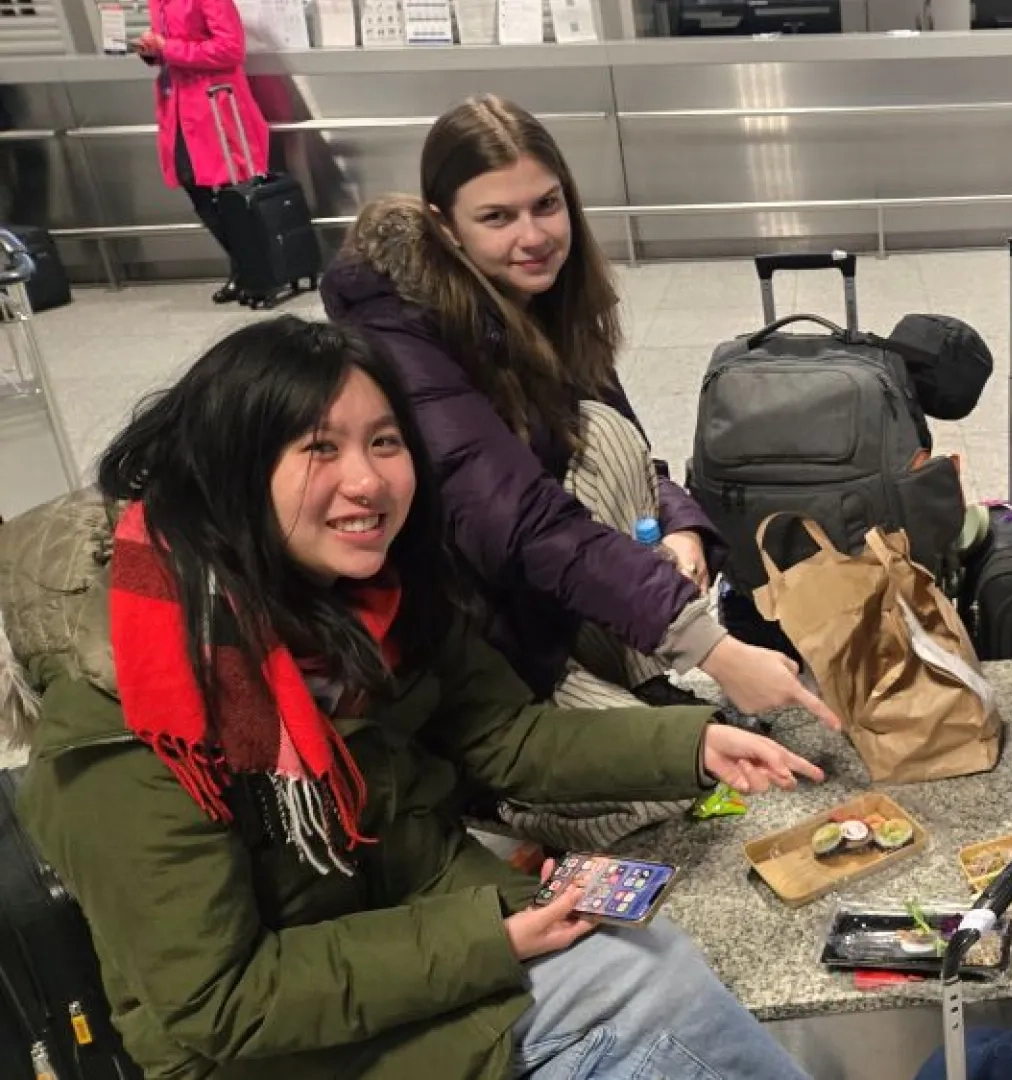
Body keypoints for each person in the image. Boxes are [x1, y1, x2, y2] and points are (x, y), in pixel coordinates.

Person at [0, 317, 817, 1080]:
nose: (367, 480)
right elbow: (220, 1001)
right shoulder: (138, 721)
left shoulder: (360, 603)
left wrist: (693, 743)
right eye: (320, 448)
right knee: (645, 990)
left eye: (384, 441)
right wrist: (491, 939)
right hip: (274, 1050)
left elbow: (503, 736)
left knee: (648, 961)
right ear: (231, 471)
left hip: (401, 934)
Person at [321, 95, 839, 847]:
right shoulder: (399, 330)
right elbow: (518, 519)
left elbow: (632, 453)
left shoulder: (546, 299)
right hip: (469, 636)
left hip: (537, 596)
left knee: (602, 434)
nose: (533, 237)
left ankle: (631, 680)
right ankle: (489, 789)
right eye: (497, 217)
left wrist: (680, 527)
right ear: (444, 225)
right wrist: (713, 648)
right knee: (661, 790)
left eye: (546, 204)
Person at [134, 0, 268, 304]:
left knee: (232, 188)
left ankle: (253, 270)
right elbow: (169, 46)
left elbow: (231, 49)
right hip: (179, 105)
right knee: (191, 181)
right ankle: (247, 267)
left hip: (215, 103)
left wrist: (168, 48)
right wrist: (153, 51)